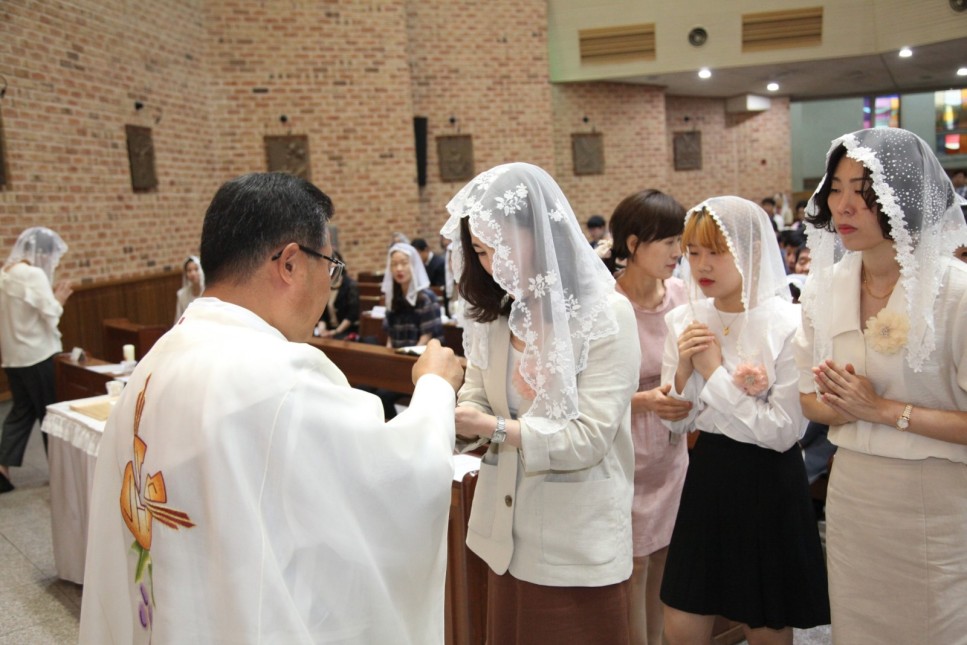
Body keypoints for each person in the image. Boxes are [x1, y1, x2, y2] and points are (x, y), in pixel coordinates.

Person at [79, 172, 465, 644]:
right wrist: (435, 387)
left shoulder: (158, 359)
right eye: (330, 266)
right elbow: (397, 479)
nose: (329, 286)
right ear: (290, 263)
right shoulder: (276, 376)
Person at [442, 162, 641, 644]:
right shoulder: (495, 312)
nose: (492, 266)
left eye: (500, 248)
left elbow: (588, 437)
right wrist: (451, 419)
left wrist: (492, 428)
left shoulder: (604, 314)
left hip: (573, 540)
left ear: (541, 234)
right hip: (503, 533)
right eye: (482, 252)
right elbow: (478, 394)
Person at [795, 128, 967, 643]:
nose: (843, 206)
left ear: (902, 198)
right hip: (854, 492)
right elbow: (807, 398)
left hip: (933, 496)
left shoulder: (955, 292)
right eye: (835, 189)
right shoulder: (824, 289)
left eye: (862, 191)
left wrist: (883, 410)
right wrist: (842, 407)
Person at [660, 196, 829, 645]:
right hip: (709, 473)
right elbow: (677, 426)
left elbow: (782, 432)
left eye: (716, 252)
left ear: (751, 251)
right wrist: (683, 373)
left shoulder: (788, 323)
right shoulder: (684, 319)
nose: (701, 265)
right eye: (693, 252)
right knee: (681, 617)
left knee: (766, 622)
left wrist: (714, 375)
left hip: (769, 481)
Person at [608, 189, 691, 645]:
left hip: (670, 446)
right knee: (634, 563)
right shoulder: (607, 303)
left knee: (664, 555)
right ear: (634, 244)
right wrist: (644, 401)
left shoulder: (680, 294)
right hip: (625, 448)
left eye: (680, 241)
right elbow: (588, 396)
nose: (678, 252)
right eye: (669, 242)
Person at [0, 227, 72, 493]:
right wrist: (59, 299)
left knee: (22, 411)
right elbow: (51, 313)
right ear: (41, 253)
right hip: (38, 355)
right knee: (50, 413)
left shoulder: (5, 274)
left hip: (13, 358)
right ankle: (60, 472)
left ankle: (2, 467)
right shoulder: (33, 275)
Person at [376, 242, 443, 419]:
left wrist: (405, 363)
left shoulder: (426, 297)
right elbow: (390, 335)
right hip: (398, 362)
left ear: (414, 265)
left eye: (404, 263)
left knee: (382, 395)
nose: (399, 268)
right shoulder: (392, 297)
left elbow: (426, 337)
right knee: (368, 389)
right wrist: (390, 359)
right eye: (394, 264)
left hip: (421, 363)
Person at [314, 250, 360, 339]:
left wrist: (335, 332)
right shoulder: (323, 285)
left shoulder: (350, 285)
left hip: (346, 331)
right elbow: (321, 313)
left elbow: (352, 315)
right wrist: (322, 329)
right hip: (328, 330)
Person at [173, 255, 204, 323]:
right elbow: (179, 319)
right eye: (189, 271)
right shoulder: (181, 295)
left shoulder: (208, 291)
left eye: (196, 269)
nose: (193, 274)